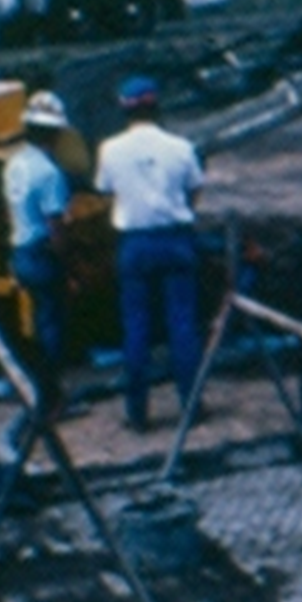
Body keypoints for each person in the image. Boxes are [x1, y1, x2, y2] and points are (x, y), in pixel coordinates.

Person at [94, 75, 207, 431]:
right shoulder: (180, 147)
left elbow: (106, 190)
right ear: (157, 105)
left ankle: (138, 412)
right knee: (183, 325)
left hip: (135, 242)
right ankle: (190, 405)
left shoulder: (110, 149)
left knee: (136, 329)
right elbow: (194, 193)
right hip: (175, 239)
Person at [4, 90, 77, 409]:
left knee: (36, 321)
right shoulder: (49, 173)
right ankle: (50, 397)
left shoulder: (14, 164)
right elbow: (56, 226)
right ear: (55, 132)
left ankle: (37, 388)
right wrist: (69, 264)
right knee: (52, 326)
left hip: (20, 249)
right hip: (42, 253)